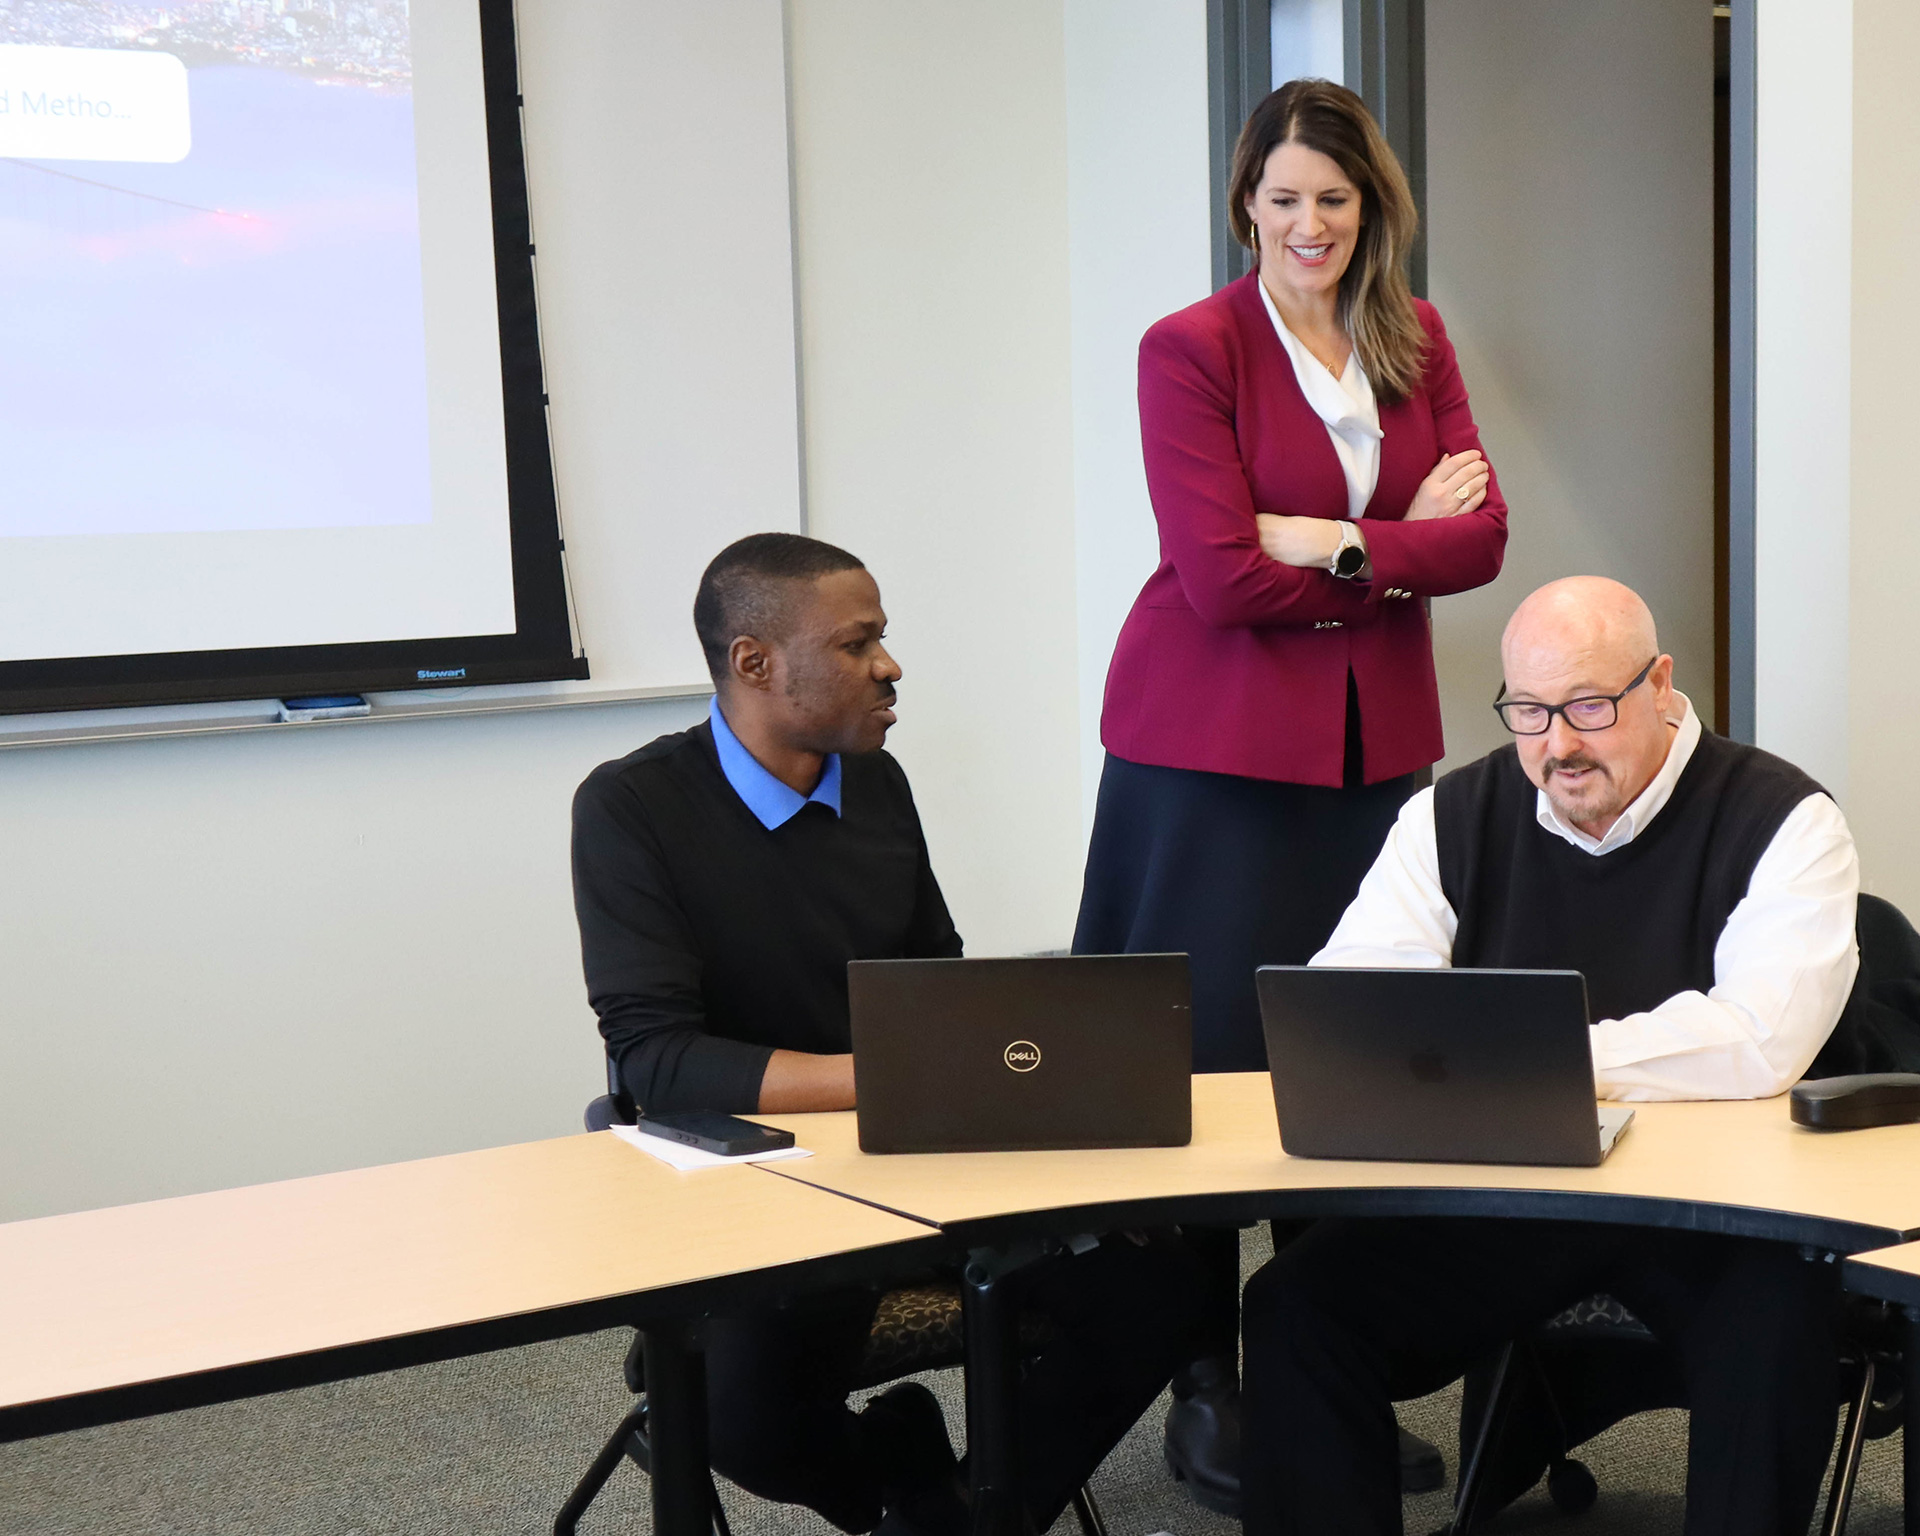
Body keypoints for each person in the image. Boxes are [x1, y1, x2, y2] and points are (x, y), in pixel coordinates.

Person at [571, 532, 1203, 1536]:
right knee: (745, 1419)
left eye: (883, 638)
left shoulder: (876, 781)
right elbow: (661, 1063)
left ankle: (967, 1518)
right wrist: (891, 1078)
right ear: (754, 663)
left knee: (1167, 1282)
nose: (889, 665)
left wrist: (1044, 1091)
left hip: (919, 1152)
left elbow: (935, 991)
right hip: (765, 1187)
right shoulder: (631, 808)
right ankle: (904, 1475)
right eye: (858, 643)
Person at [1071, 78, 1507, 1506]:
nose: (1309, 222)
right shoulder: (1187, 348)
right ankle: (1202, 1375)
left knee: (1350, 1044)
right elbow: (1214, 574)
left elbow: (1487, 538)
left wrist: (1322, 537)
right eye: (1283, 199)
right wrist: (1389, 539)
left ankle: (1318, 1362)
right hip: (1206, 757)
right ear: (1244, 204)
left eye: (1335, 197)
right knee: (1198, 1059)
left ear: (1368, 206)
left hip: (1370, 755)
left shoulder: (1414, 336)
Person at [1240, 576, 1860, 1536]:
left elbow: (1758, 1038)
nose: (1557, 745)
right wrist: (1500, 1065)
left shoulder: (1784, 818)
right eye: (1529, 712)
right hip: (1513, 1190)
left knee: (1776, 1332)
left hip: (1717, 1211)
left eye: (1588, 707)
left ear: (1660, 684)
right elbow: (1353, 1000)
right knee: (1296, 1309)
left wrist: (1532, 1054)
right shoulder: (1453, 815)